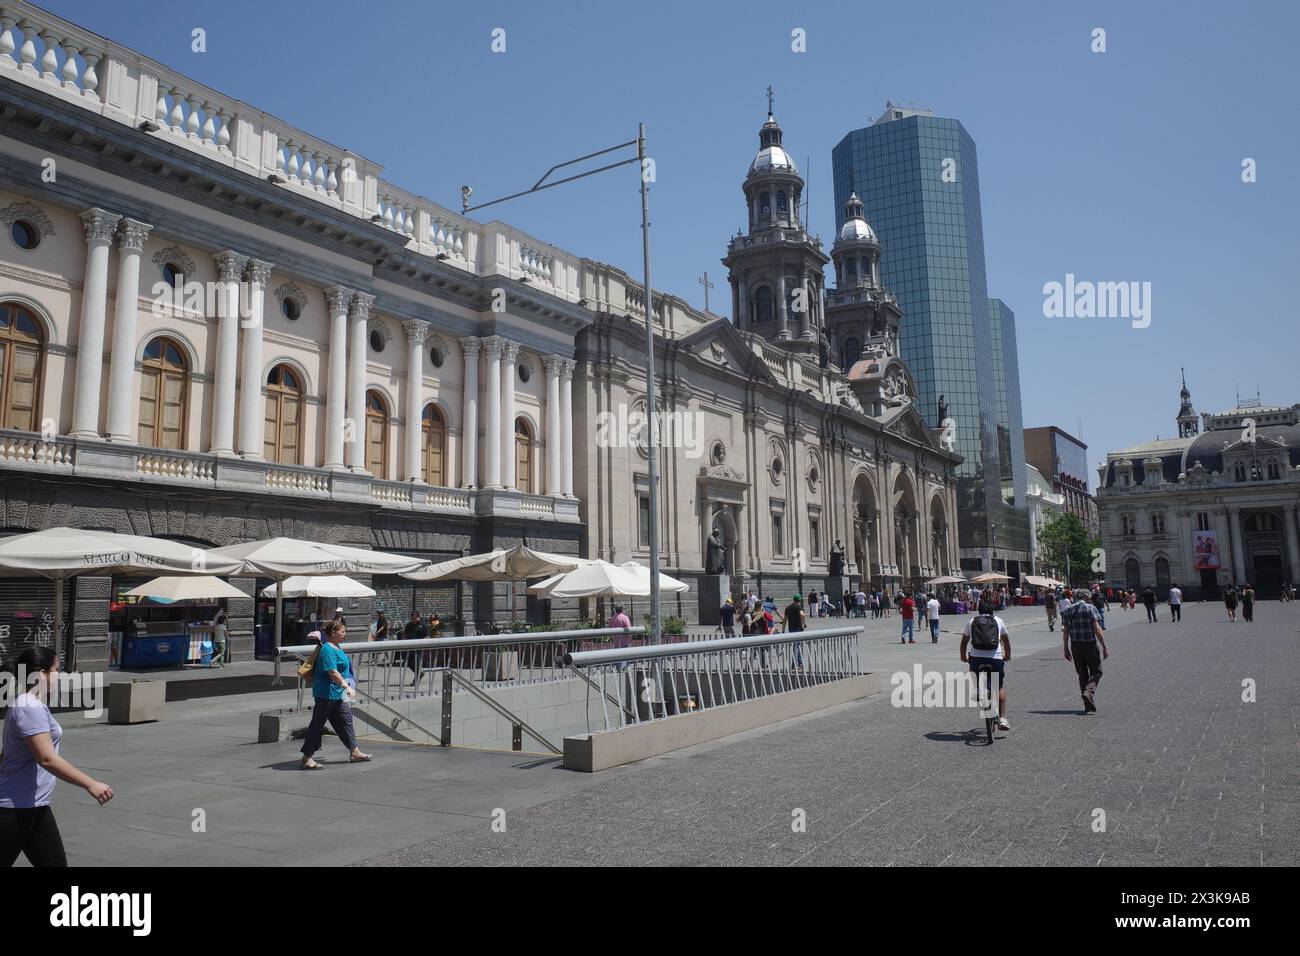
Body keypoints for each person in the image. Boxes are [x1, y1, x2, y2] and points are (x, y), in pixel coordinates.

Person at [1, 647, 114, 867]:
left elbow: (9, 754)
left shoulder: (29, 705)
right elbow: (47, 759)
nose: (58, 676)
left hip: (36, 805)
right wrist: (90, 784)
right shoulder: (29, 707)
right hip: (13, 809)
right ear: (42, 674)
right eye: (56, 669)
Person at [300, 621, 371, 769]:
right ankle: (307, 758)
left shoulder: (336, 647)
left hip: (337, 694)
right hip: (326, 693)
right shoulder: (327, 649)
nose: (345, 634)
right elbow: (332, 671)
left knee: (346, 721)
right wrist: (347, 687)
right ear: (333, 633)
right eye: (343, 632)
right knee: (317, 725)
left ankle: (354, 751)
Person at [959, 597, 1012, 732]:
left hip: (976, 658)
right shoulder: (998, 621)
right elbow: (1006, 641)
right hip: (995, 659)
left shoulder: (971, 621)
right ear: (992, 610)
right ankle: (1002, 718)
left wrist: (963, 657)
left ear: (979, 609)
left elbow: (964, 642)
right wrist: (1007, 656)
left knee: (974, 674)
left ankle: (977, 690)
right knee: (999, 686)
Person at [1061, 587, 1109, 714]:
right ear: (1087, 598)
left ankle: (1087, 704)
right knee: (1097, 671)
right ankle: (1089, 692)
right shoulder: (1090, 608)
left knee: (1082, 675)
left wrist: (1065, 648)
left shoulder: (1067, 610)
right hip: (1090, 645)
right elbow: (1097, 629)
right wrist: (1104, 646)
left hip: (1075, 646)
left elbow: (1065, 631)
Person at [784, 594, 806, 667]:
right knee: (797, 646)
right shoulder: (799, 606)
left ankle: (799, 662)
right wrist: (804, 624)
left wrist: (783, 630)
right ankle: (795, 663)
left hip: (791, 629)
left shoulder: (788, 608)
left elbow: (785, 620)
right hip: (798, 628)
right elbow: (802, 615)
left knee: (796, 645)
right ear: (799, 600)